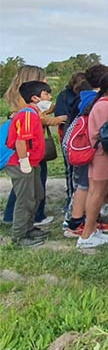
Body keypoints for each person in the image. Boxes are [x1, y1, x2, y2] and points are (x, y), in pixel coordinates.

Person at [3, 65, 66, 226]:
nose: (45, 81)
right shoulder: (26, 102)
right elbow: (36, 118)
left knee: (24, 184)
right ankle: (30, 218)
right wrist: (57, 119)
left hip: (29, 147)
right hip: (28, 148)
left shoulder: (21, 95)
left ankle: (15, 216)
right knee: (32, 183)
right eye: (42, 78)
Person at [78, 72, 108, 248]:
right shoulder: (106, 106)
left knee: (94, 192)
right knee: (98, 193)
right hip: (102, 155)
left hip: (97, 153)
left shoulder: (99, 104)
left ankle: (91, 231)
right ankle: (86, 234)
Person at [6, 81, 52, 247]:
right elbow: (20, 141)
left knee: (36, 196)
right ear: (35, 98)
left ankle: (29, 227)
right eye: (46, 94)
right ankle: (19, 236)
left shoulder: (34, 113)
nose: (49, 97)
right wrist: (24, 162)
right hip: (21, 164)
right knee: (25, 199)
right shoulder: (27, 115)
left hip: (33, 163)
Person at [54, 71, 86, 215]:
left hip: (70, 135)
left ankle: (73, 201)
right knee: (71, 170)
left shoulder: (65, 95)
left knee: (73, 171)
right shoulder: (65, 95)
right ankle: (70, 200)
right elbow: (61, 116)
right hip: (69, 135)